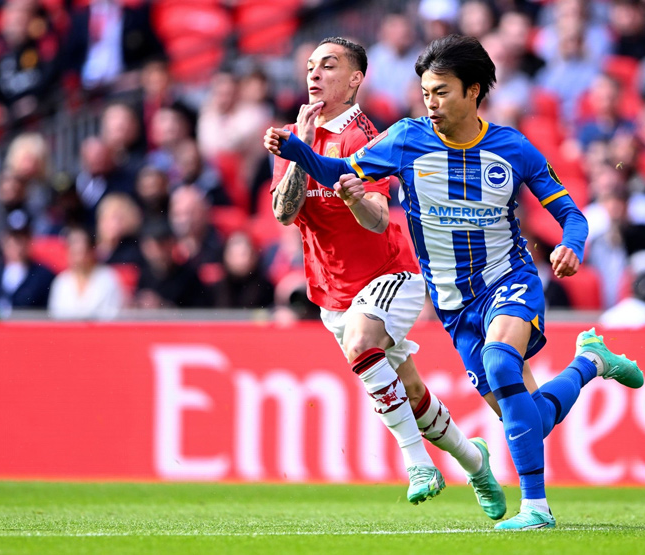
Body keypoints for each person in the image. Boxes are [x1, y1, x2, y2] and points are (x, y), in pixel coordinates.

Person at [264, 34, 643, 530]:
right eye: (425, 92)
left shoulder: (512, 147)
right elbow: (339, 170)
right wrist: (295, 147)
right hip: (453, 302)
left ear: (474, 91)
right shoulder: (406, 139)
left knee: (500, 360)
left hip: (508, 279)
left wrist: (572, 244)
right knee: (523, 418)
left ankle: (536, 509)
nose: (431, 102)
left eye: (441, 91)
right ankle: (590, 362)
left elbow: (570, 212)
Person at [268, 37, 505, 517]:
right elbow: (282, 211)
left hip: (390, 273)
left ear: (356, 79)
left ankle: (417, 463)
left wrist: (355, 196)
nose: (314, 73)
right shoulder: (294, 133)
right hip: (330, 290)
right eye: (310, 65)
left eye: (328, 66)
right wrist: (300, 148)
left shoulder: (367, 138)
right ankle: (475, 462)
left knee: (361, 341)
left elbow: (379, 217)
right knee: (410, 392)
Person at [48, 226, 124, 320]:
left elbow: (112, 317)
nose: (78, 257)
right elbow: (56, 318)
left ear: (92, 250)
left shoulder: (108, 278)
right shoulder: (61, 282)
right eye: (74, 252)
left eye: (82, 251)